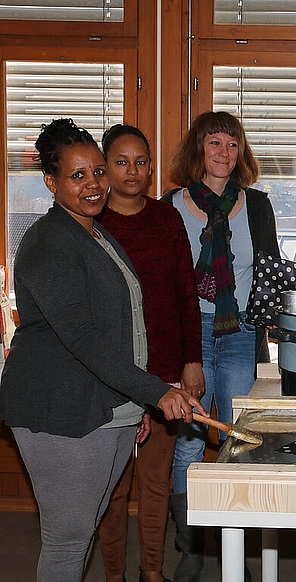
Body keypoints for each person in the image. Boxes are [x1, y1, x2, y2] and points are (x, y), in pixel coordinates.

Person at [0, 118, 207, 582]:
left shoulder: (93, 231)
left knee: (85, 526)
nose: (93, 184)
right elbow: (84, 339)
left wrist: (131, 403)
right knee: (69, 538)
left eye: (96, 171)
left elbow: (124, 328)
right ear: (50, 182)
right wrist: (153, 391)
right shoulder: (50, 242)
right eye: (77, 176)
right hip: (59, 409)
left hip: (103, 404)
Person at [166, 110, 279, 582]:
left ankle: (242, 545)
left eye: (232, 144)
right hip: (190, 337)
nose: (223, 153)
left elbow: (271, 273)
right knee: (190, 444)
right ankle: (191, 548)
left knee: (239, 441)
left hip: (240, 335)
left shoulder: (256, 204)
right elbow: (166, 283)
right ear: (198, 150)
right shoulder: (170, 206)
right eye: (214, 143)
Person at [96, 124, 204, 582]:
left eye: (141, 162)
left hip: (166, 374)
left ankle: (153, 573)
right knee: (114, 488)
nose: (133, 171)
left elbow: (186, 292)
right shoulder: (90, 222)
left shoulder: (167, 218)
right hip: (111, 376)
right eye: (122, 162)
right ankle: (115, 575)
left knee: (156, 482)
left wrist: (192, 360)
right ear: (105, 167)